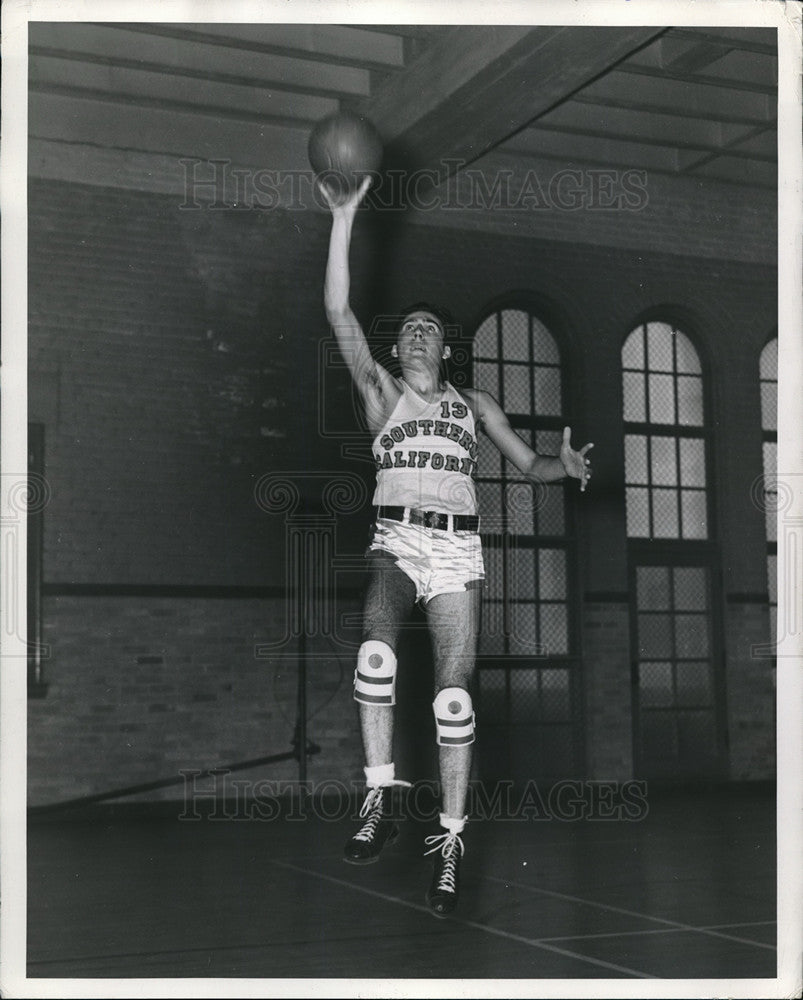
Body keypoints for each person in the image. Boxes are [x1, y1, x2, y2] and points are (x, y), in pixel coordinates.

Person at [321, 176, 592, 917]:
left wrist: (558, 467)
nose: (414, 333)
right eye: (405, 327)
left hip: (458, 556)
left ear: (444, 347)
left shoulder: (474, 405)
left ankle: (447, 844)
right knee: (375, 655)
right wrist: (344, 218)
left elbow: (528, 466)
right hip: (397, 541)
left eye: (426, 328)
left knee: (450, 701)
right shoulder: (382, 395)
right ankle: (377, 797)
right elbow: (336, 311)